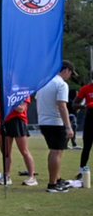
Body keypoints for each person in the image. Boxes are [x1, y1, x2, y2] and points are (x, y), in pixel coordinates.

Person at [36, 60, 78, 193]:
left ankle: (57, 178)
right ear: (66, 70)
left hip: (43, 121)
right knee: (57, 152)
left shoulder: (43, 81)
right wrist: (68, 126)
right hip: (56, 122)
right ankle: (52, 184)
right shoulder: (61, 84)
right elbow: (62, 105)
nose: (69, 77)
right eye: (70, 74)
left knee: (53, 150)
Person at [2, 97, 33, 186]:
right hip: (7, 122)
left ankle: (32, 176)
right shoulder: (7, 93)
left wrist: (9, 104)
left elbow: (21, 109)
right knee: (7, 152)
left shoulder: (24, 93)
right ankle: (7, 175)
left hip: (19, 122)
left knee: (24, 151)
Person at [74, 73, 93, 182]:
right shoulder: (86, 89)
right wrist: (84, 106)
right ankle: (82, 171)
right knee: (87, 147)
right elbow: (74, 104)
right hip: (90, 121)